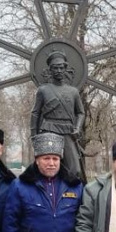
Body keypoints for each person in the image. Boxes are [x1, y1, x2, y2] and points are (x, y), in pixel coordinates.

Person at [30, 51, 86, 182]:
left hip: (67, 131)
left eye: (61, 68)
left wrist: (77, 128)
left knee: (75, 170)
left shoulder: (73, 92)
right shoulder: (43, 90)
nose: (59, 71)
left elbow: (80, 113)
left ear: (65, 68)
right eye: (55, 68)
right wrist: (34, 135)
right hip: (49, 129)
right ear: (50, 70)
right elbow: (35, 113)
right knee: (48, 168)